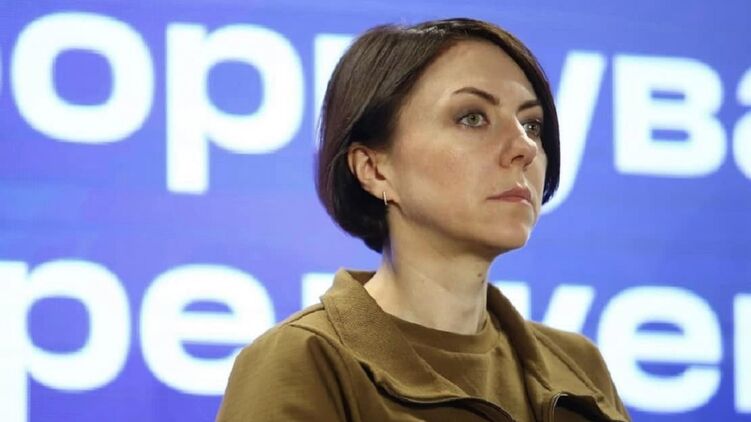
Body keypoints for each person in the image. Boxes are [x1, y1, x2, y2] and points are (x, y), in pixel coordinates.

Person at [216, 18, 631, 422]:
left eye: (531, 124)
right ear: (373, 170)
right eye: (472, 117)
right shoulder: (306, 360)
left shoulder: (579, 366)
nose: (525, 147)